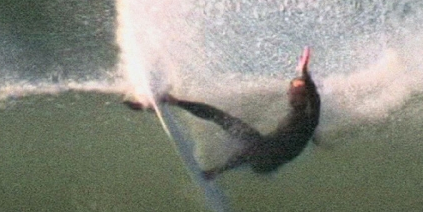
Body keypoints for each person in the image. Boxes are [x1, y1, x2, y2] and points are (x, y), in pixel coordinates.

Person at [126, 47, 320, 180]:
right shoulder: (302, 114)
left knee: (254, 146)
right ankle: (172, 101)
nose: (294, 94)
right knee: (223, 119)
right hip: (265, 149)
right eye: (293, 90)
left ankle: (216, 171)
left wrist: (304, 71)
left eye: (299, 92)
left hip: (267, 160)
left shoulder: (310, 112)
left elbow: (313, 97)